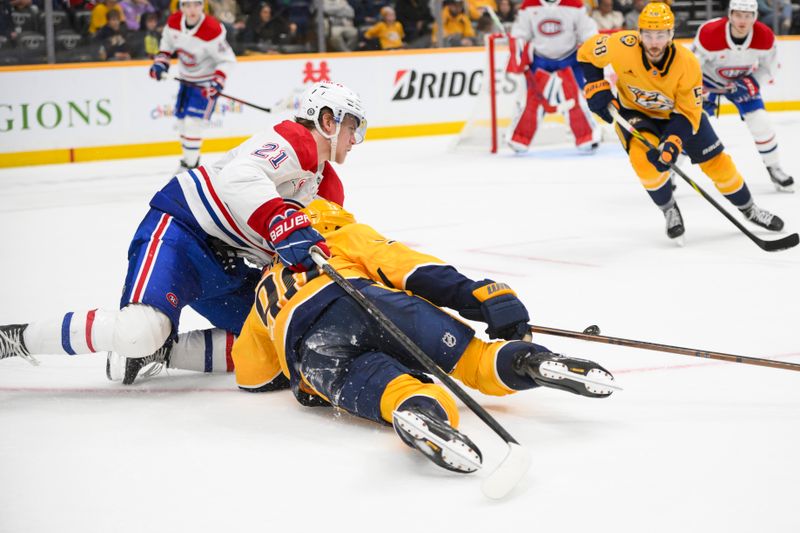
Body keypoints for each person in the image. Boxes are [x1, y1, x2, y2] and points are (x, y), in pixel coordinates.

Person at [0, 82, 367, 388]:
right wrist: (280, 220)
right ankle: (16, 338)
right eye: (352, 126)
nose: (355, 138)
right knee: (139, 330)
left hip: (226, 261)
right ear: (327, 120)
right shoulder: (294, 139)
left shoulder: (328, 189)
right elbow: (238, 178)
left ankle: (162, 352)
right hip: (183, 230)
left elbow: (295, 246)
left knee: (272, 339)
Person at [231, 199, 617, 472]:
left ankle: (419, 414)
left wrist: (294, 367)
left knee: (395, 392)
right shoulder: (341, 235)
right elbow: (411, 270)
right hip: (374, 303)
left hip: (313, 350)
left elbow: (252, 374)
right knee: (475, 361)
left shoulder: (264, 289)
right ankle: (529, 361)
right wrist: (476, 295)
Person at [577, 2, 786, 243]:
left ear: (671, 34)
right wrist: (596, 86)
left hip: (677, 116)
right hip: (636, 113)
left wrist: (673, 142)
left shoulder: (687, 63)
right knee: (643, 162)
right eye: (648, 35)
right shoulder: (620, 44)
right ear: (639, 33)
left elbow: (688, 113)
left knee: (718, 164)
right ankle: (669, 210)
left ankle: (749, 209)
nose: (654, 42)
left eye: (661, 35)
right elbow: (586, 53)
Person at [692, 0, 794, 192]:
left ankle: (774, 167)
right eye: (738, 15)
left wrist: (752, 83)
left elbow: (768, 68)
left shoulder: (764, 36)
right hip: (707, 82)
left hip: (742, 83)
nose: (742, 21)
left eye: (748, 16)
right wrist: (699, 91)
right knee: (691, 125)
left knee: (761, 122)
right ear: (730, 14)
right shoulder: (709, 32)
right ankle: (670, 173)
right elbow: (691, 66)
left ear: (755, 17)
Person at [149, 0, 236, 170]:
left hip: (204, 85)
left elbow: (227, 60)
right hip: (186, 81)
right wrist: (160, 63)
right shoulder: (173, 23)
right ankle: (190, 162)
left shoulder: (212, 29)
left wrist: (217, 82)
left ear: (202, 6)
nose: (192, 9)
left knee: (193, 124)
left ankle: (189, 167)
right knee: (182, 123)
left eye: (197, 4)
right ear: (181, 7)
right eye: (187, 5)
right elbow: (166, 45)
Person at [506, 0, 602, 154]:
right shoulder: (529, 5)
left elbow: (589, 33)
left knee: (574, 99)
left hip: (569, 60)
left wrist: (596, 52)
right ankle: (519, 138)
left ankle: (587, 137)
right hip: (540, 61)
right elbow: (520, 33)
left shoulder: (574, 4)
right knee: (532, 100)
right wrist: (518, 56)